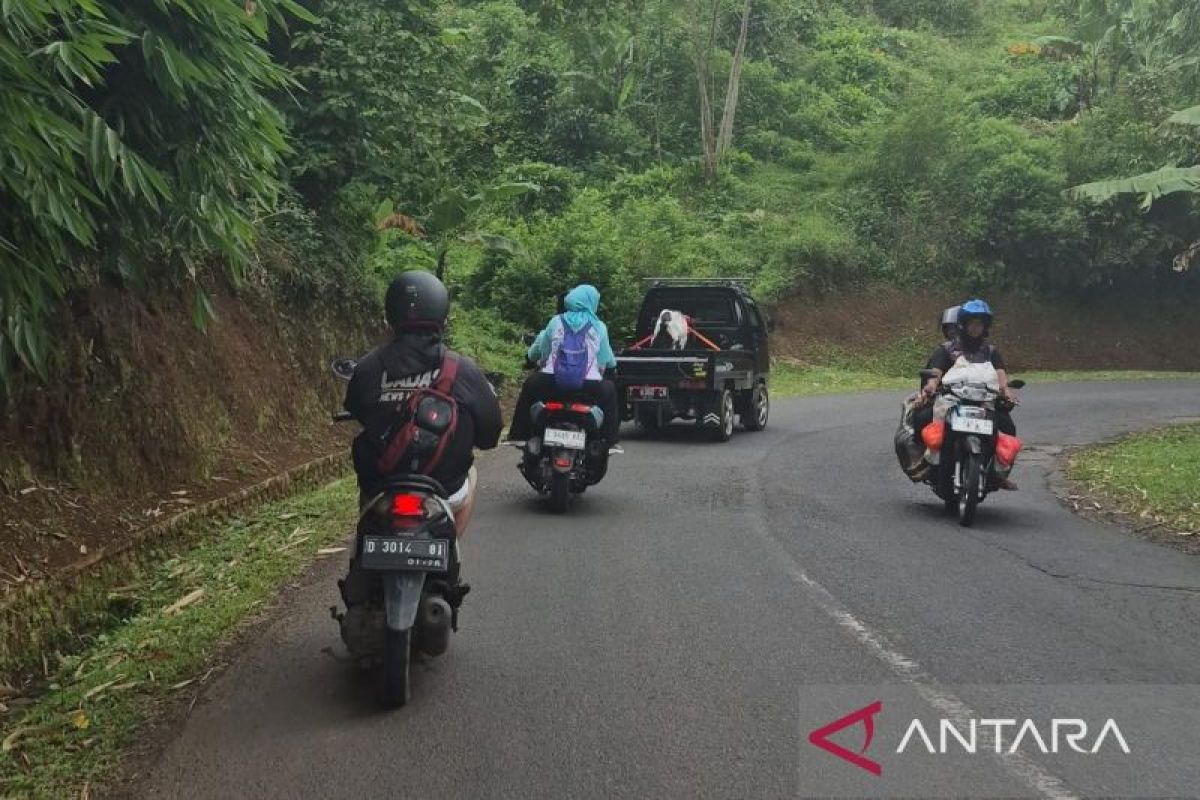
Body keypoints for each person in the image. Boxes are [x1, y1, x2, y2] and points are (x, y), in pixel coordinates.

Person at [344, 270, 503, 534]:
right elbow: (490, 435)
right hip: (445, 490)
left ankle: (361, 555)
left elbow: (357, 408)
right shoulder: (463, 369)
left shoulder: (369, 366)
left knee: (367, 497)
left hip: (381, 486)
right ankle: (449, 548)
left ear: (390, 314)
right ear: (443, 316)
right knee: (471, 476)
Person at [921, 298, 1019, 487]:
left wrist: (1006, 390)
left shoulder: (990, 351)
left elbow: (1000, 373)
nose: (975, 328)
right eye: (972, 323)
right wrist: (932, 385)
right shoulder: (948, 349)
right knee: (926, 419)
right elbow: (936, 370)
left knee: (1008, 426)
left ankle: (998, 472)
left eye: (979, 324)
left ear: (985, 326)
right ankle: (929, 462)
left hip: (983, 400)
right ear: (963, 324)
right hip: (953, 399)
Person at [507, 284, 621, 446]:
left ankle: (518, 435)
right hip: (588, 387)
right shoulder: (599, 327)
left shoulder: (556, 321)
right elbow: (606, 361)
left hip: (552, 383)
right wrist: (609, 368)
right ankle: (610, 442)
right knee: (610, 391)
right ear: (592, 302)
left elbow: (544, 352)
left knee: (530, 385)